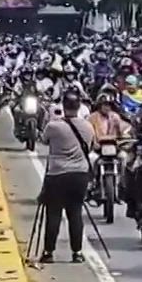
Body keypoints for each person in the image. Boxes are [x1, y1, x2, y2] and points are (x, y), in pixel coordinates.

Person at [37, 86, 95, 264]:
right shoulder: (87, 126)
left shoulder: (54, 126)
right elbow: (90, 146)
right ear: (78, 107)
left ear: (63, 105)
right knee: (75, 213)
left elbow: (44, 139)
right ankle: (77, 252)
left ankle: (48, 252)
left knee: (53, 213)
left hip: (57, 174)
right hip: (79, 174)